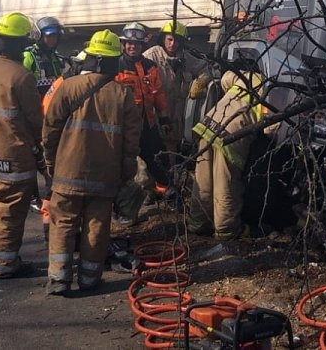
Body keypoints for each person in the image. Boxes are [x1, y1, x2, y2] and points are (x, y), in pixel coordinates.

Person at [42, 30, 142, 295]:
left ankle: (59, 279)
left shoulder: (68, 86)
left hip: (66, 172)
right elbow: (131, 144)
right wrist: (126, 173)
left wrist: (50, 164)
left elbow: (50, 129)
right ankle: (89, 278)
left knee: (63, 222)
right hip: (104, 175)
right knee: (97, 225)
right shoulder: (123, 95)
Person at [0, 12, 44, 279]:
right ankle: (4, 265)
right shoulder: (21, 76)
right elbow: (36, 122)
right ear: (18, 44)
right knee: (12, 213)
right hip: (15, 155)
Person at [186, 71, 267, 241]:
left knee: (203, 180)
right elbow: (271, 128)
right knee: (226, 185)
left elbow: (225, 79)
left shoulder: (247, 75)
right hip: (230, 136)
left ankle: (198, 223)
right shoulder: (272, 92)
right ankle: (226, 231)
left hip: (208, 125)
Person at [114, 22, 174, 193]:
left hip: (148, 124)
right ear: (124, 44)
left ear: (142, 45)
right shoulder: (117, 66)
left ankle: (165, 192)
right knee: (123, 167)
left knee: (160, 159)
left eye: (136, 43)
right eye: (129, 43)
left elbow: (158, 93)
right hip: (124, 127)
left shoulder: (149, 66)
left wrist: (164, 118)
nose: (133, 46)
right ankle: (122, 208)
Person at [144, 21, 211, 148]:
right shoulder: (151, 56)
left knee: (172, 150)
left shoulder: (185, 57)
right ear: (163, 39)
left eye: (176, 41)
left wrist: (200, 82)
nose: (172, 44)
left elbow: (206, 69)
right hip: (155, 115)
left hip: (176, 117)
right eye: (169, 39)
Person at [23, 16, 69, 95]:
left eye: (55, 36)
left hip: (53, 100)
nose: (53, 39)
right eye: (49, 36)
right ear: (39, 36)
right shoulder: (29, 55)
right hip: (36, 100)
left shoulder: (55, 57)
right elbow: (22, 82)